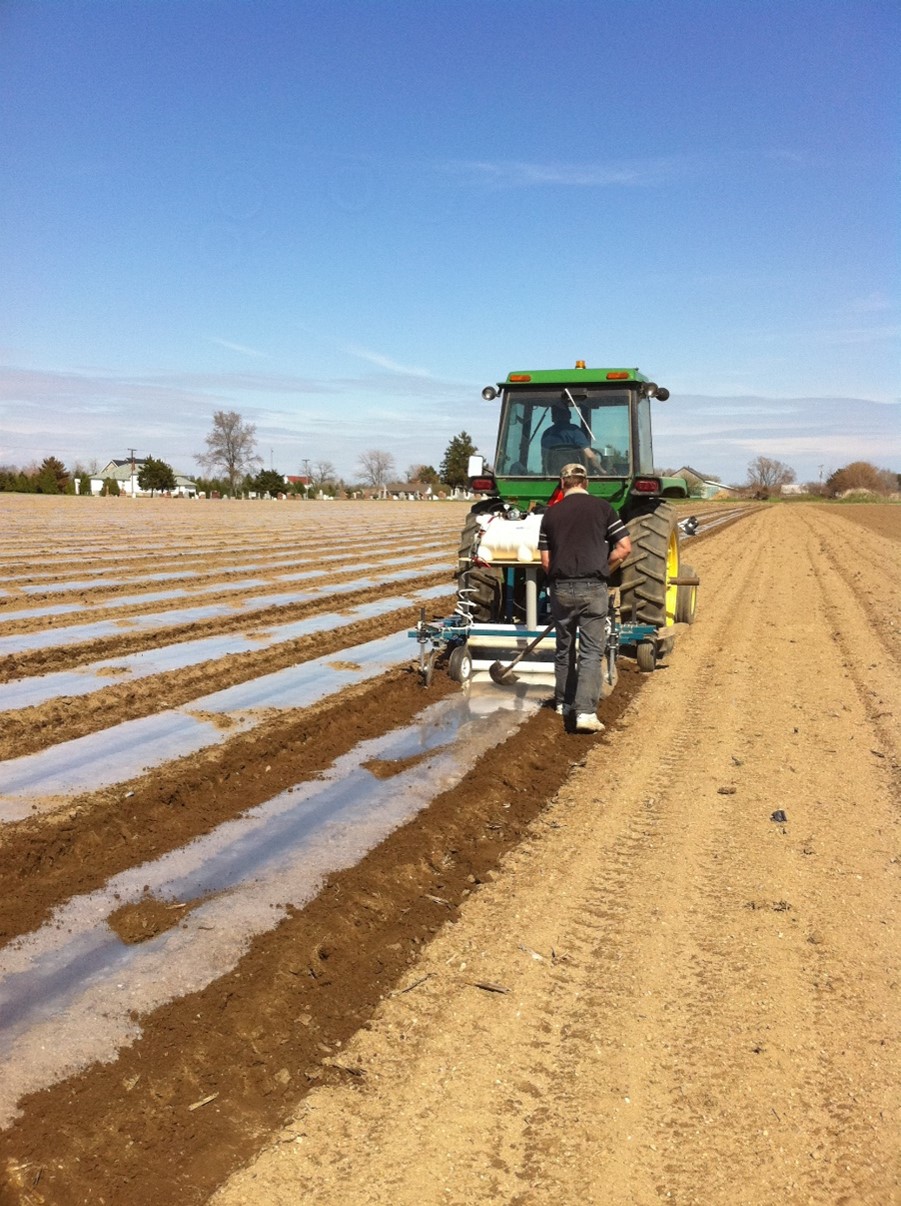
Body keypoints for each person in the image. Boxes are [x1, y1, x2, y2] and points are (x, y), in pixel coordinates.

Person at [538, 463, 632, 733]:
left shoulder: (551, 514)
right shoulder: (604, 509)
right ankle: (586, 714)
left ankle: (563, 703)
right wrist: (605, 567)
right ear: (586, 482)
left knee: (564, 647)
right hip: (594, 587)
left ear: (562, 482)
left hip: (562, 589)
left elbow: (546, 561)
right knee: (591, 652)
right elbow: (624, 548)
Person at [540, 405, 601, 474]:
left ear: (553, 417)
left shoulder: (547, 434)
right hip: (575, 477)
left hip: (553, 476)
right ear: (569, 415)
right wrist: (602, 471)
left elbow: (545, 459)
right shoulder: (574, 431)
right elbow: (590, 456)